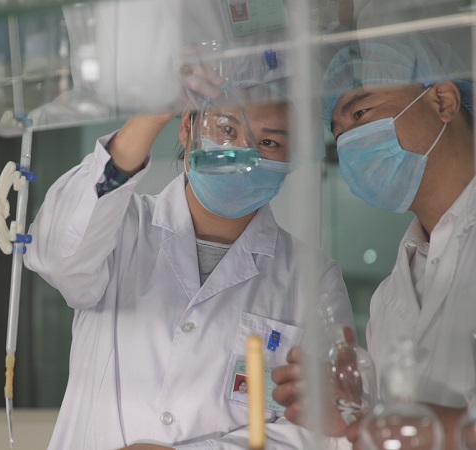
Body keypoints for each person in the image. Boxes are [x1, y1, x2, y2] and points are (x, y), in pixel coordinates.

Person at [24, 79, 355, 449]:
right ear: (186, 127)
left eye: (269, 143)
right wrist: (149, 117)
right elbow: (55, 254)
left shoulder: (313, 279)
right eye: (226, 130)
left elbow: (322, 430)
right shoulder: (120, 228)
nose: (243, 154)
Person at [271, 34, 475, 449]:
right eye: (338, 133)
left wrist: (436, 428)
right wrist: (356, 417)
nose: (348, 143)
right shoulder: (388, 300)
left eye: (360, 113)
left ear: (443, 101)